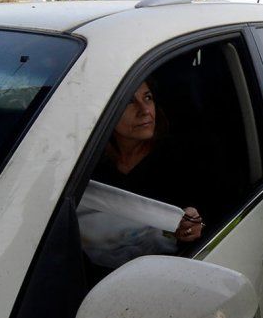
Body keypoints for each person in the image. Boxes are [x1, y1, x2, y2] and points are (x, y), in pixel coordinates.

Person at [78, 79, 204, 269]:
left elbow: (209, 224)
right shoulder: (85, 164)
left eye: (148, 98)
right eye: (128, 101)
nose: (144, 110)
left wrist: (192, 226)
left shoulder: (183, 157)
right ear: (102, 109)